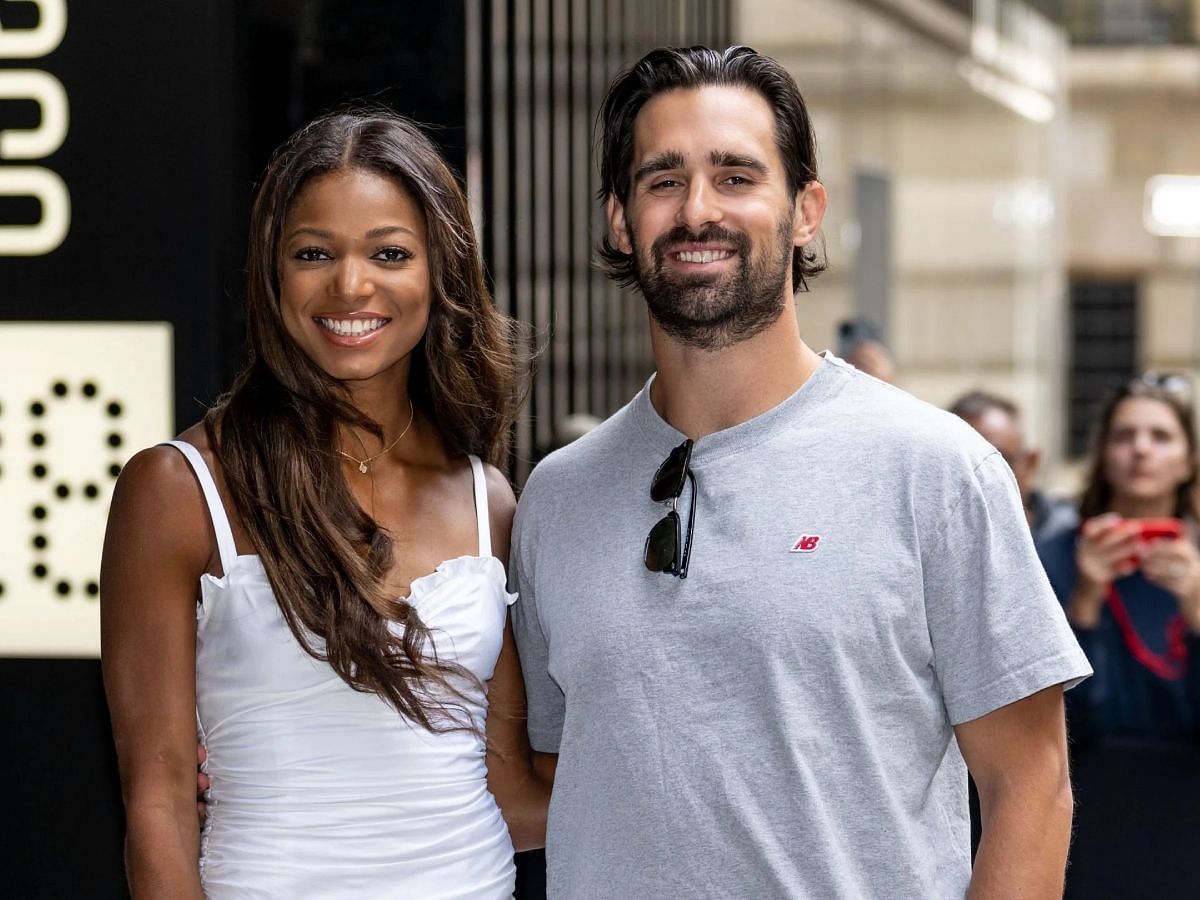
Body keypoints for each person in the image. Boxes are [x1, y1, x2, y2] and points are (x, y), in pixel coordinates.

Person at [510, 46, 1091, 899]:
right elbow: (567, 773)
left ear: (806, 209)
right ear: (620, 219)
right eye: (662, 180)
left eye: (737, 176)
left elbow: (1032, 789)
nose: (697, 209)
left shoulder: (935, 469)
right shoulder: (556, 497)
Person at [101, 110, 547, 899]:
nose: (351, 285)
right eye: (315, 253)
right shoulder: (178, 491)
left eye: (389, 253)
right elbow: (158, 805)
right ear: (273, 274)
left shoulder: (490, 500)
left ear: (439, 271)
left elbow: (510, 793)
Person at [1036, 374, 1200, 743]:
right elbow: (1054, 724)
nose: (1141, 449)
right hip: (1092, 788)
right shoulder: (1052, 555)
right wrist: (1086, 601)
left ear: (1189, 462)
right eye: (1124, 436)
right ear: (1103, 455)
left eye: (1161, 437)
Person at [949, 389, 1078, 543]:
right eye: (962, 466)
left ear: (1030, 464)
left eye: (995, 464)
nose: (978, 480)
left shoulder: (1072, 537)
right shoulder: (934, 542)